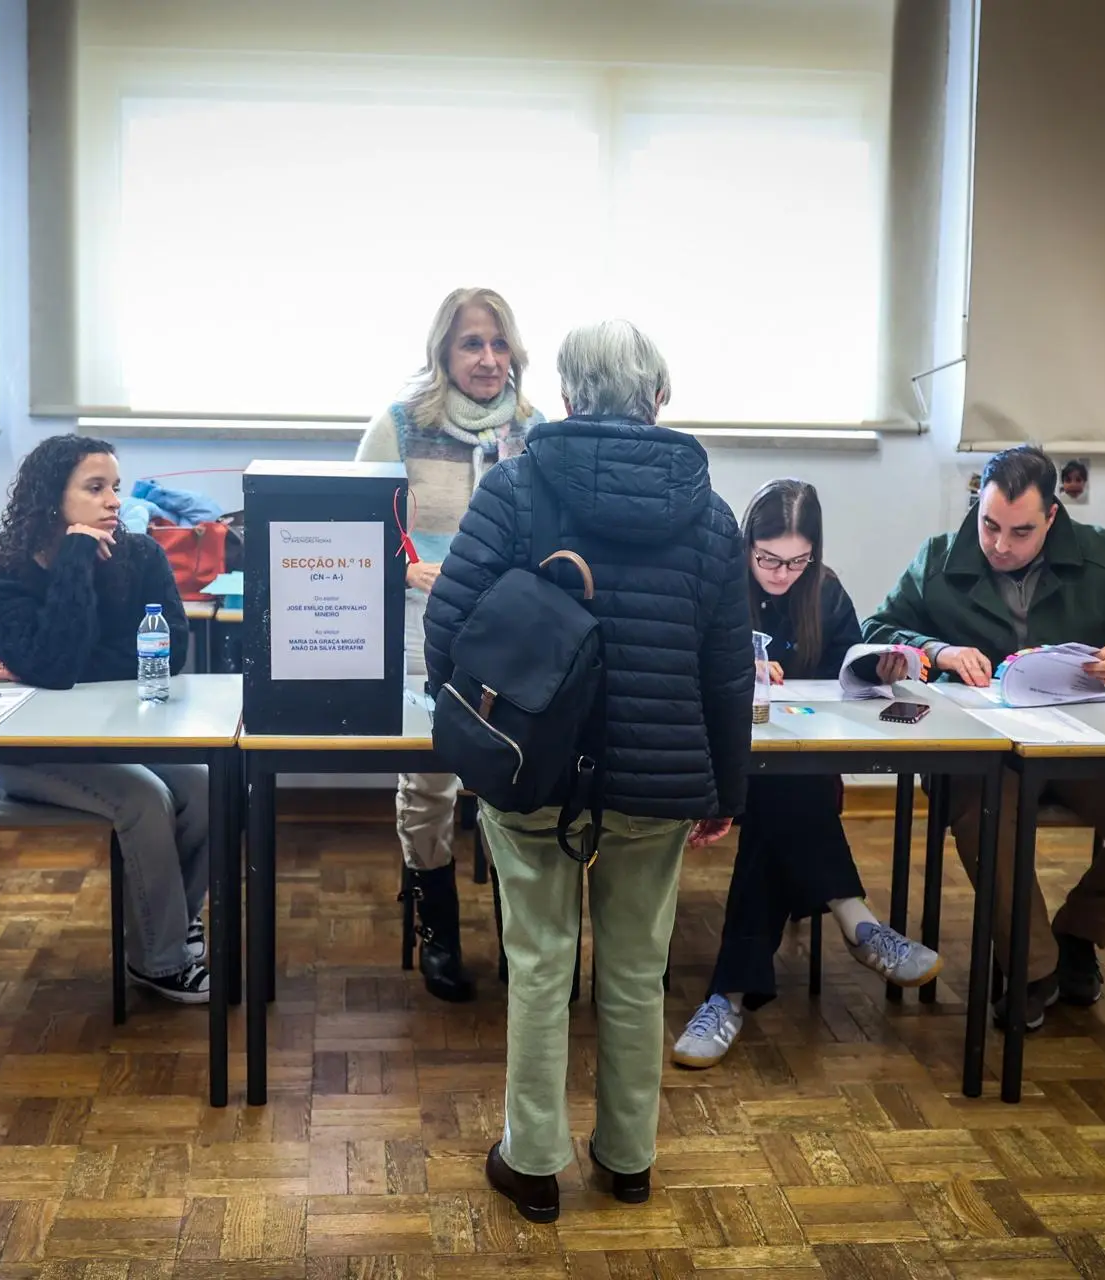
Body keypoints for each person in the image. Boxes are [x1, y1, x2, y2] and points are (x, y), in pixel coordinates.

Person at [425, 320, 752, 1224]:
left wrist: (475, 729)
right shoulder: (713, 515)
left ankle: (532, 1163)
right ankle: (629, 1158)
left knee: (537, 965)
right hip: (657, 783)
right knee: (639, 972)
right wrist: (726, 787)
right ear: (658, 399)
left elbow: (447, 625)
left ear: (566, 397)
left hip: (533, 776)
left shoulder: (516, 486)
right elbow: (727, 670)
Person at [863, 445, 1105, 1028]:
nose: (1000, 545)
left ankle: (1075, 939)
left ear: (1052, 519)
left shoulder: (1103, 555)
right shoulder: (940, 557)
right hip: (983, 752)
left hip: (1079, 741)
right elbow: (877, 628)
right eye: (989, 525)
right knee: (987, 820)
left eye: (1021, 531)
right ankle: (1032, 967)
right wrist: (936, 650)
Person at [671, 480, 940, 1069]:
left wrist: (881, 667)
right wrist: (736, 665)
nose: (781, 573)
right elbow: (678, 661)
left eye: (797, 561)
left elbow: (851, 675)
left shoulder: (826, 591)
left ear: (814, 553)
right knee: (782, 793)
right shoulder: (717, 584)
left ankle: (729, 996)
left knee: (778, 801)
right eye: (768, 557)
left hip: (788, 771)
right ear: (747, 544)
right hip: (714, 762)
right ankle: (857, 919)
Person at [0, 434, 210, 1003]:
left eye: (116, 488)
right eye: (95, 488)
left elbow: (169, 653)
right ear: (54, 497)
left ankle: (171, 926)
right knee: (144, 798)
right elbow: (57, 666)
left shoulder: (141, 555)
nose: (113, 503)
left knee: (205, 787)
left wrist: (44, 665)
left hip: (113, 735)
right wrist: (75, 559)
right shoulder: (4, 577)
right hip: (26, 751)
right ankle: (160, 961)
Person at [355, 287, 545, 1003]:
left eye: (499, 345)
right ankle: (437, 923)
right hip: (422, 619)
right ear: (443, 352)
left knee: (514, 776)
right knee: (430, 776)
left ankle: (520, 929)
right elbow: (358, 524)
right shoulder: (401, 426)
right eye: (472, 343)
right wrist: (407, 565)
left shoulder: (537, 431)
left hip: (512, 628)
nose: (488, 359)